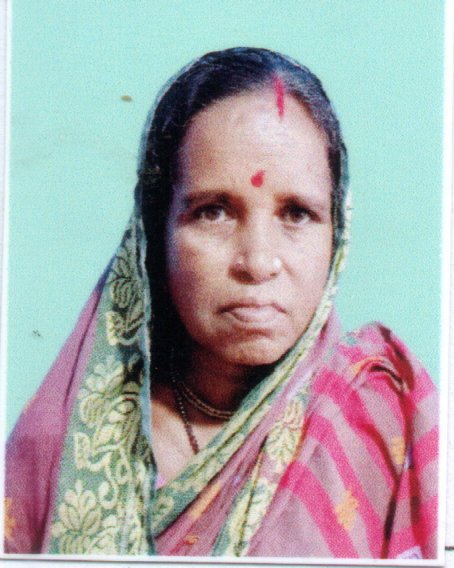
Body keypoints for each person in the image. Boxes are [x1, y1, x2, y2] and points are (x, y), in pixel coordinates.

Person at [4, 47, 438, 558]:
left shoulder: (382, 423)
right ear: (154, 230)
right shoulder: (57, 447)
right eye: (213, 212)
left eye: (297, 214)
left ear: (336, 234)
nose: (258, 263)